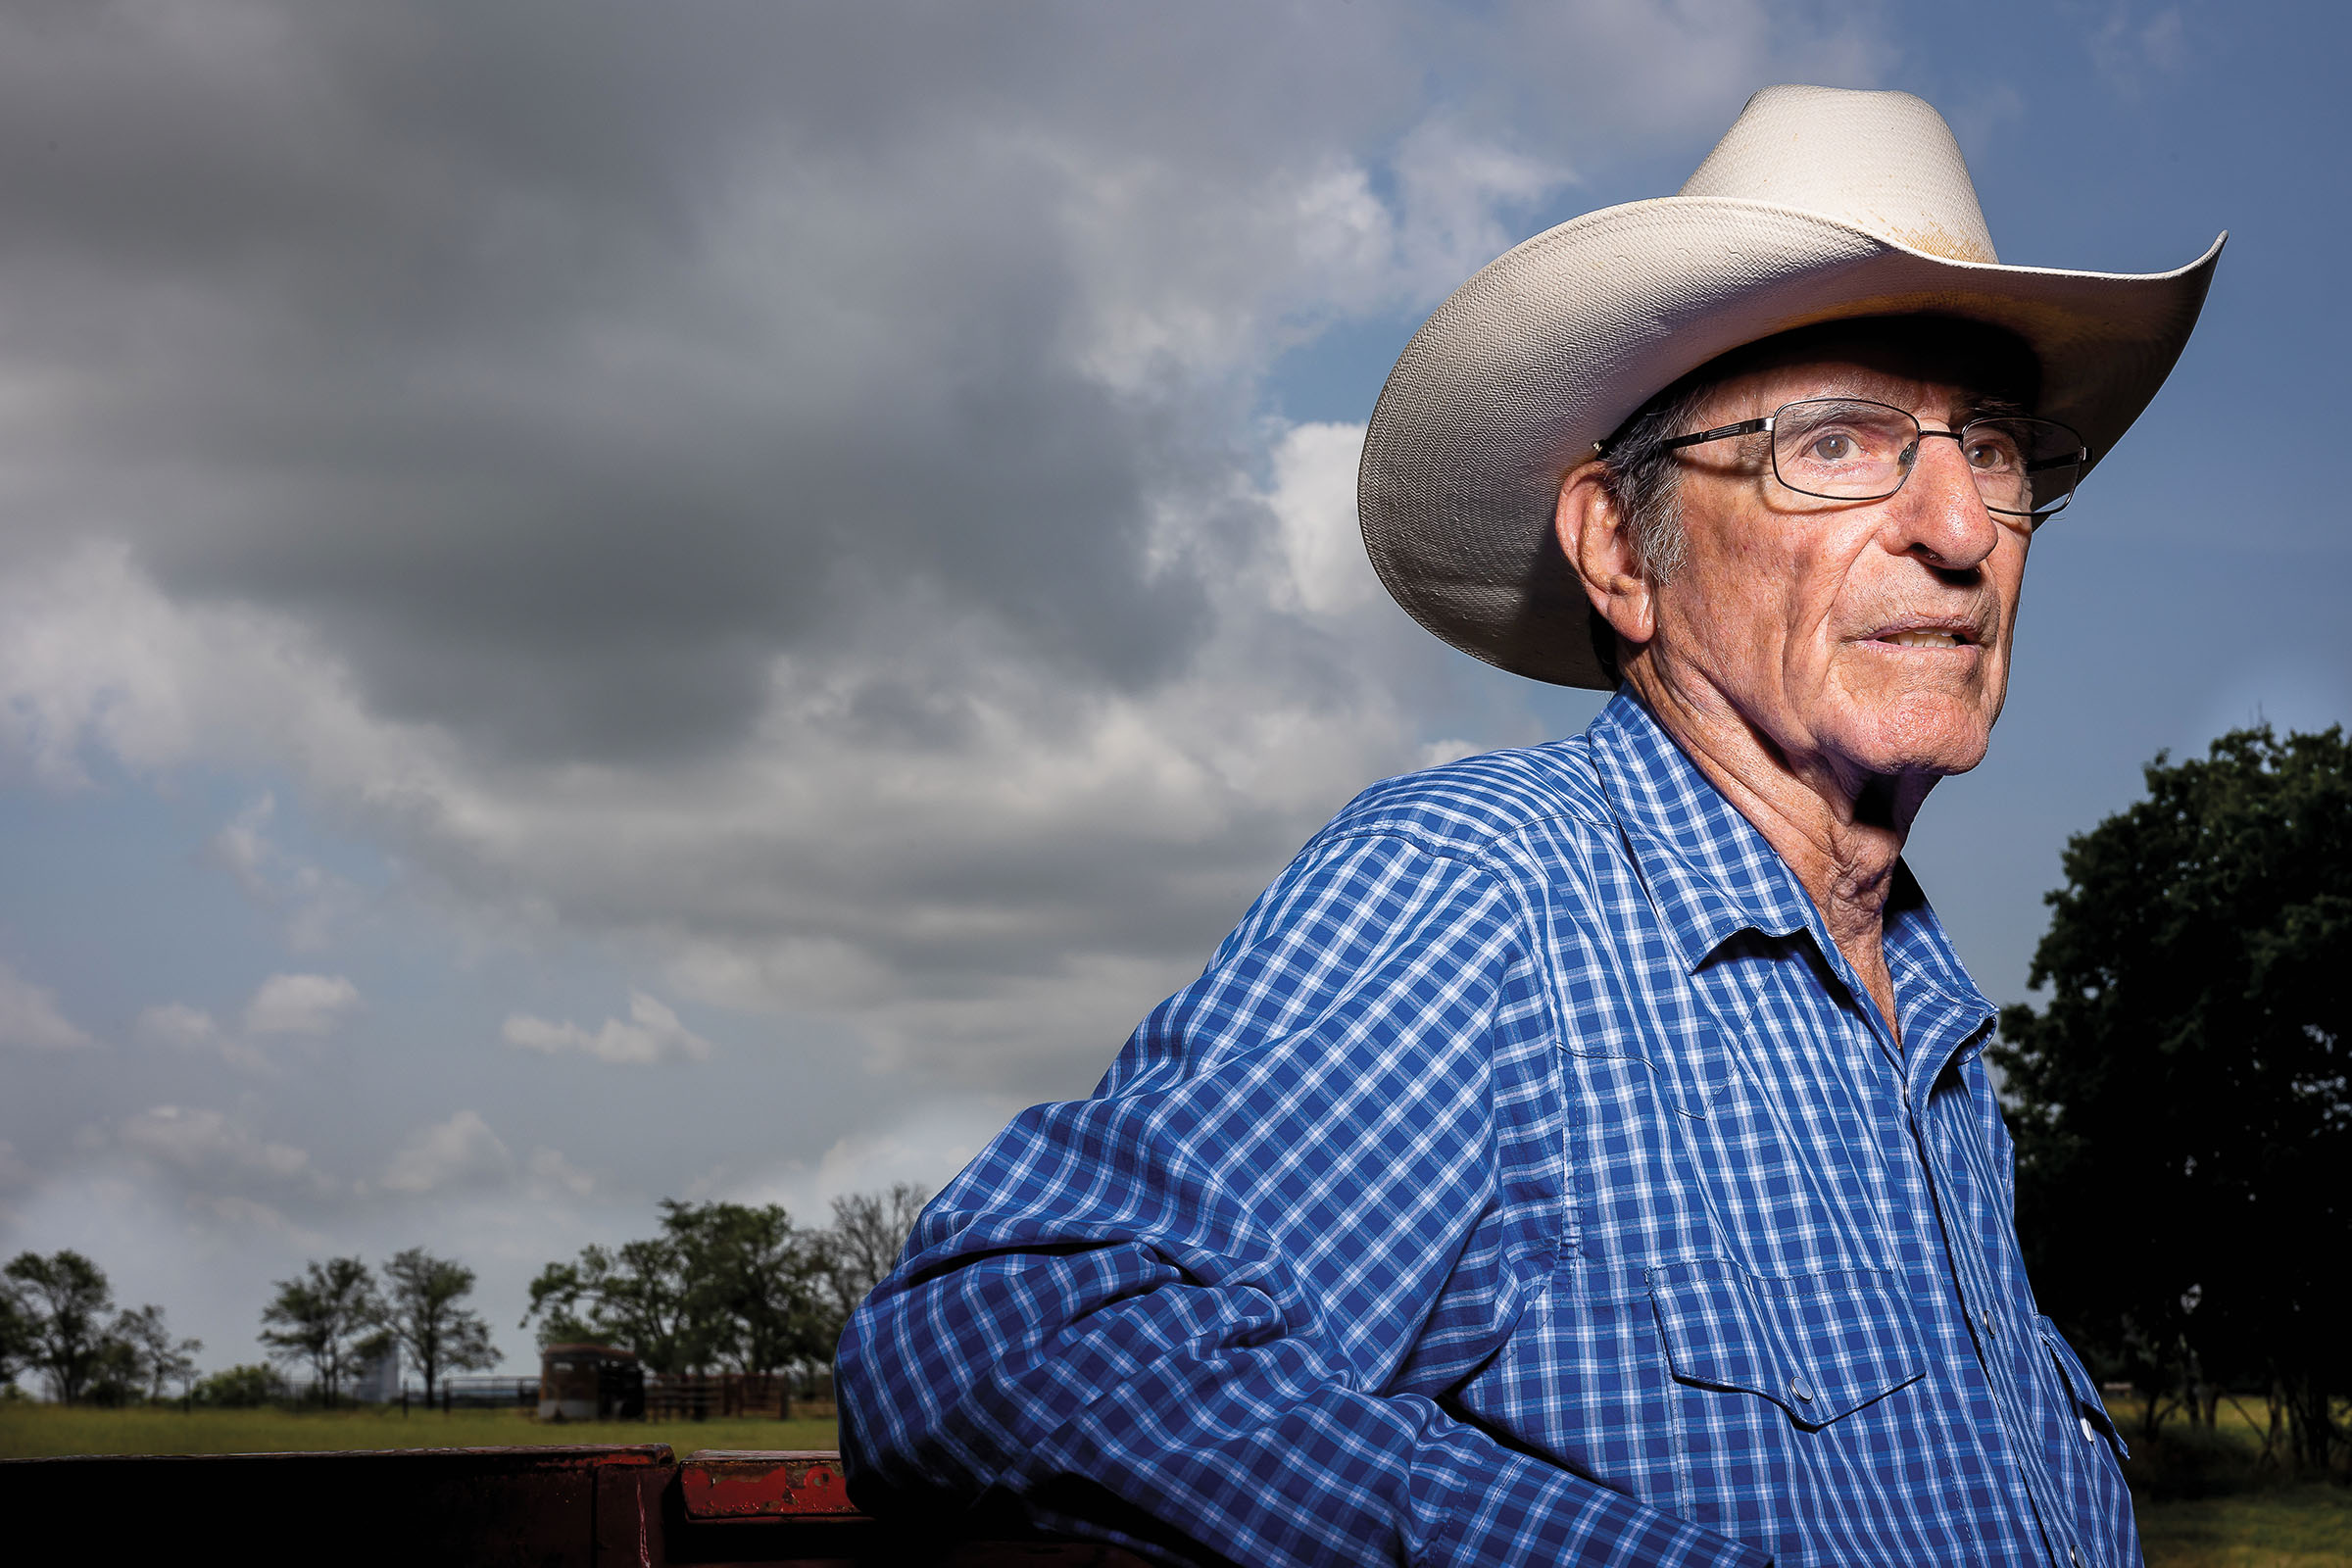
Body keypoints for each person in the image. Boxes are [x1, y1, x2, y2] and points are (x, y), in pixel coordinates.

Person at [836, 85, 2222, 1568]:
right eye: (1835, 443)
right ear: (1622, 552)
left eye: (1997, 450)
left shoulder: (1926, 1019)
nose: (1958, 530)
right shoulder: (1490, 893)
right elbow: (994, 1343)